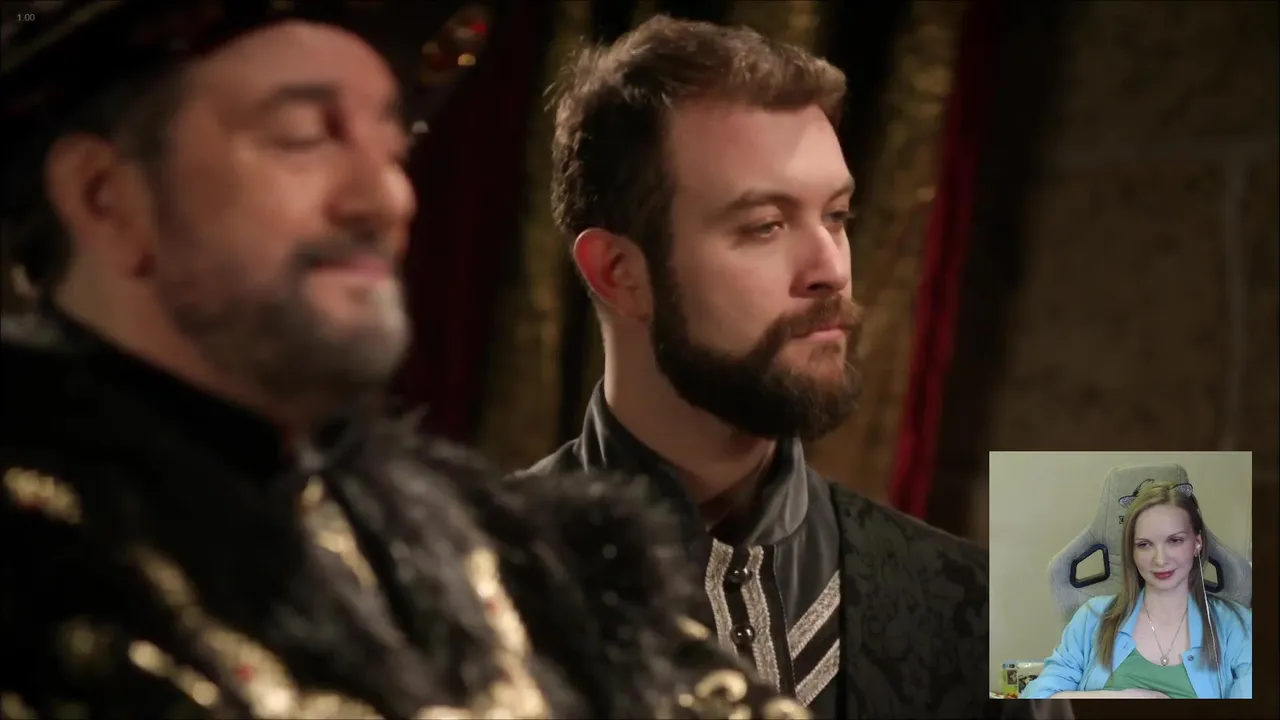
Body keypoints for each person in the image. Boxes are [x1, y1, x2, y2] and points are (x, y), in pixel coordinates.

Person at [0, 3, 813, 718]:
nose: (387, 199)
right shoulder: (38, 567)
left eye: (392, 150)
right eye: (303, 138)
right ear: (106, 196)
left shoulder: (533, 570)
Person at [522, 15, 1072, 720]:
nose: (830, 269)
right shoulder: (468, 590)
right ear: (620, 273)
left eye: (837, 216)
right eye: (765, 226)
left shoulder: (983, 615)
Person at [1019, 482, 1253, 700]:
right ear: (1131, 551)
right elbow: (1036, 699)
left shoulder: (1238, 625)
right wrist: (1121, 698)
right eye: (1144, 545)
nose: (1160, 560)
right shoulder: (1093, 617)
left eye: (1175, 540)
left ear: (1197, 543)